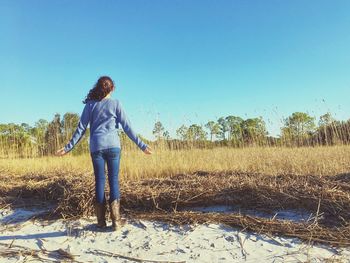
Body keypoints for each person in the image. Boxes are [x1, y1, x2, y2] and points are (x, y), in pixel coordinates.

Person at [56, 76, 152, 230]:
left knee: (99, 181)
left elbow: (80, 129)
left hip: (96, 147)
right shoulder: (116, 103)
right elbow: (128, 127)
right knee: (113, 180)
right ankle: (116, 221)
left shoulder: (90, 105)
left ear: (98, 87)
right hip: (114, 147)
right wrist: (142, 145)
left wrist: (67, 147)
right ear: (112, 88)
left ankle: (101, 222)